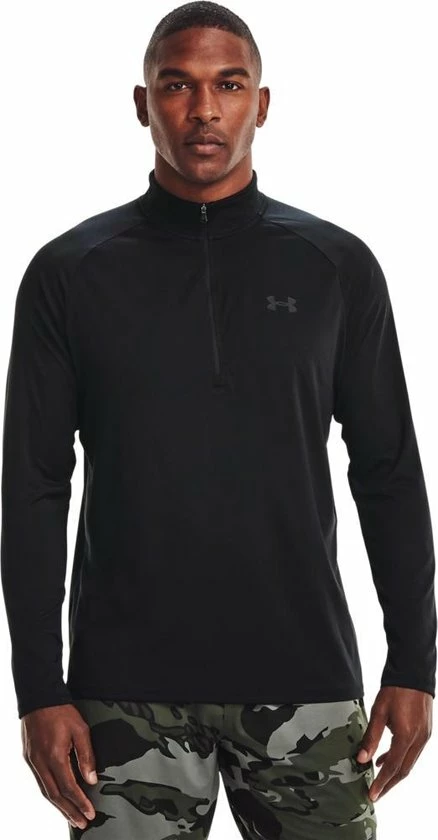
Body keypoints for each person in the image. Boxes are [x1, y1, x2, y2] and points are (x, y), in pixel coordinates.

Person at [1, 1, 436, 837]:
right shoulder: (70, 274)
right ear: (143, 104)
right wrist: (37, 690)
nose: (204, 109)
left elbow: (388, 472)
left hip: (306, 683)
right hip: (121, 699)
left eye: (229, 86)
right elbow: (33, 489)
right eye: (178, 86)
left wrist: (416, 663)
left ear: (261, 105)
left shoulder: (336, 267)